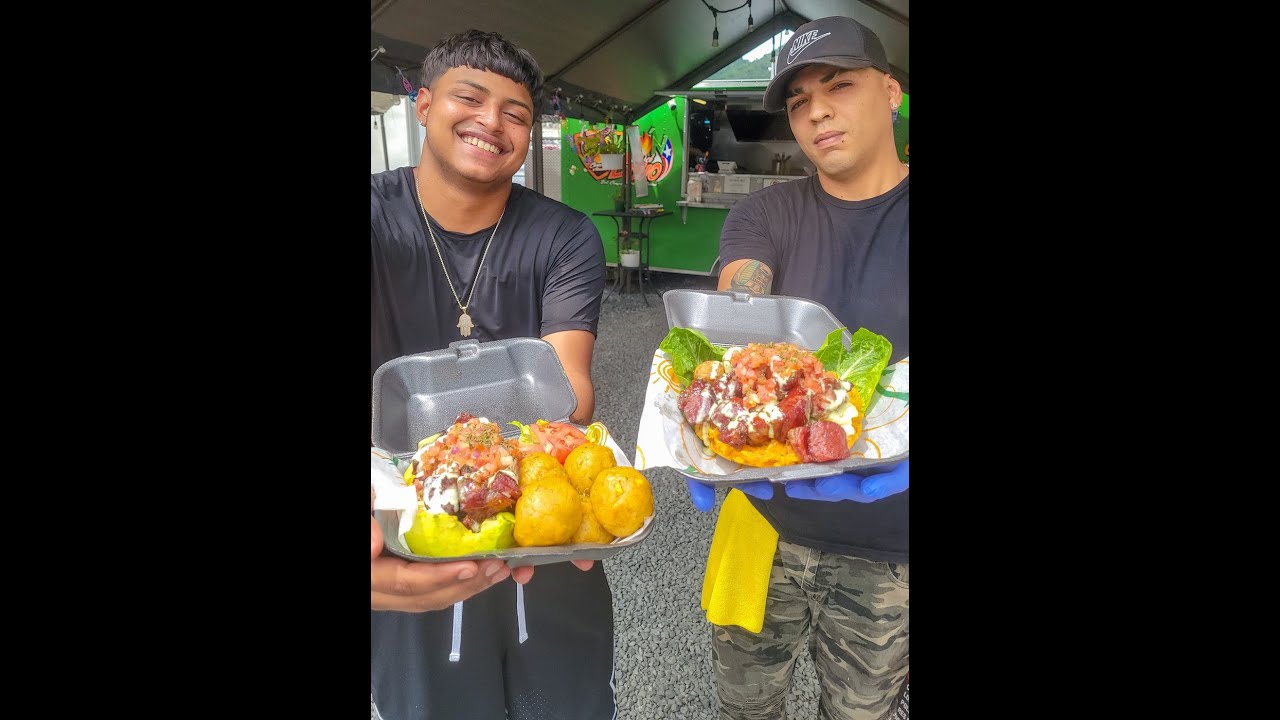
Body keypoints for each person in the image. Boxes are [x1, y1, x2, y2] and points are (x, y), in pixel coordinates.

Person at [370, 29, 613, 719]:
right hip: (407, 530)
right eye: (469, 98)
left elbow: (569, 390)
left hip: (542, 525)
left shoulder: (565, 234)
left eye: (516, 113)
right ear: (422, 104)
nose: (491, 123)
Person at [686, 16, 910, 720]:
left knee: (862, 712)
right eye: (798, 100)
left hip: (890, 542)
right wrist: (741, 334)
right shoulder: (768, 211)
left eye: (839, 86)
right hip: (761, 523)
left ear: (892, 92)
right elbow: (741, 291)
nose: (817, 111)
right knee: (745, 705)